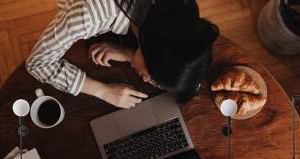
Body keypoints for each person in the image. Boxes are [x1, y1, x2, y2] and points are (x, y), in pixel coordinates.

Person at [26, 0, 219, 109]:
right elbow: (38, 63)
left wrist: (131, 54)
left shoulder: (177, 10)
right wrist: (102, 91)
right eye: (150, 77)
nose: (144, 79)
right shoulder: (89, 16)